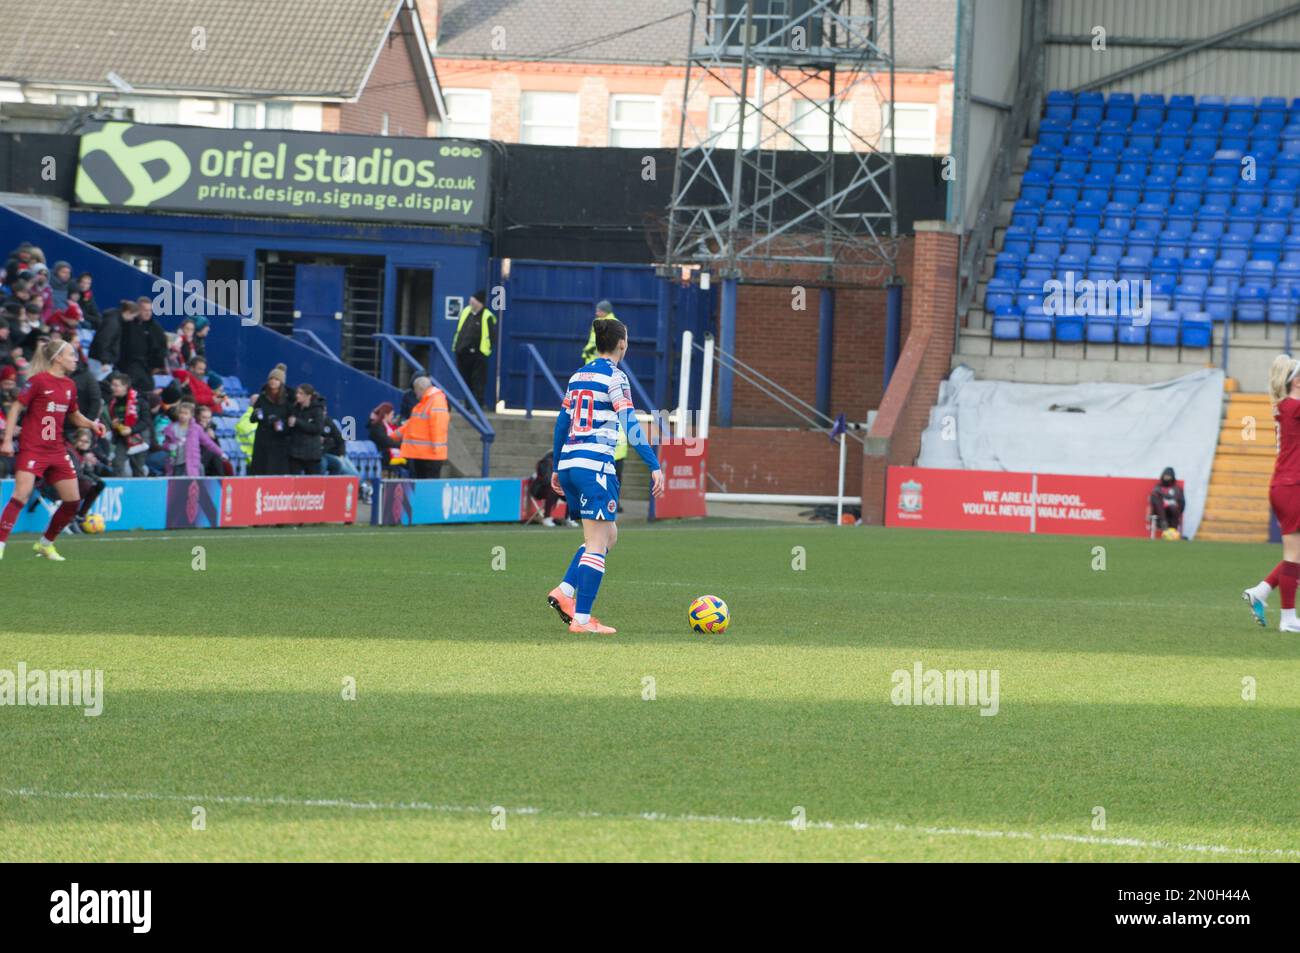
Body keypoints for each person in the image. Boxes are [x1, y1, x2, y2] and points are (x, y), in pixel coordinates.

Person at [546, 317, 664, 634]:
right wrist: (653, 464)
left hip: (571, 464)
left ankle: (565, 591)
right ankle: (582, 621)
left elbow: (561, 424)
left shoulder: (577, 376)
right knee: (597, 542)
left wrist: (557, 466)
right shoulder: (616, 378)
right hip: (594, 467)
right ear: (621, 344)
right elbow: (630, 423)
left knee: (609, 535)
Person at [0, 340, 110, 561]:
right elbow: (16, 408)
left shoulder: (69, 385)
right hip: (32, 448)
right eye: (71, 355)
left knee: (72, 501)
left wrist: (91, 424)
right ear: (58, 358)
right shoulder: (37, 382)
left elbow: (74, 415)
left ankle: (45, 544)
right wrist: (7, 440)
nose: (75, 359)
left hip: (57, 449)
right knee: (21, 495)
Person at [1243, 354, 1300, 632]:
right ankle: (1288, 619)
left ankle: (1262, 591)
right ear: (1297, 381)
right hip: (1293, 486)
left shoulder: (1285, 406)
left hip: (1286, 484)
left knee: (1296, 553)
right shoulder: (1293, 406)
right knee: (1293, 555)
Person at [391, 376, 448, 478]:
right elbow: (411, 425)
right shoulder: (427, 402)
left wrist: (437, 450)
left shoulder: (434, 401)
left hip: (430, 456)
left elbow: (438, 425)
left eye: (416, 390)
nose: (415, 394)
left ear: (421, 389)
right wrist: (392, 436)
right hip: (422, 455)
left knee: (428, 489)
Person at [453, 289, 496, 408]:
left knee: (477, 381)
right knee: (465, 381)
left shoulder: (487, 316)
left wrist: (483, 352)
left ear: (480, 303)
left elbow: (491, 337)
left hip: (478, 355)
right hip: (462, 353)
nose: (471, 302)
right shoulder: (466, 312)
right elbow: (460, 330)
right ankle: (468, 405)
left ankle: (477, 407)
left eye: (474, 300)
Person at [163, 401, 227, 477]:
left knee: (192, 485)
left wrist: (221, 453)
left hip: (192, 463)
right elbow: (165, 445)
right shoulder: (171, 428)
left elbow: (208, 443)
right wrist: (171, 446)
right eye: (181, 413)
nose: (182, 415)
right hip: (175, 463)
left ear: (191, 415)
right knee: (175, 486)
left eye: (186, 413)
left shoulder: (196, 429)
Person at [248, 364, 292, 475]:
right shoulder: (262, 397)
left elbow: (289, 422)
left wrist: (279, 424)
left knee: (276, 472)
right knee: (260, 470)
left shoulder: (287, 400)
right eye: (271, 378)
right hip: (262, 440)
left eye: (276, 379)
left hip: (279, 442)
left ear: (281, 382)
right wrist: (256, 415)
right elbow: (252, 418)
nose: (273, 381)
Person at [104, 372, 150, 477]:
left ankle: (139, 492)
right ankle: (119, 490)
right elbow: (114, 421)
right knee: (117, 464)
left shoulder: (140, 400)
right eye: (112, 385)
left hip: (139, 438)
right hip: (122, 438)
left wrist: (131, 429)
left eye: (116, 385)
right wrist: (114, 426)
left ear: (125, 386)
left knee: (137, 468)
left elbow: (146, 421)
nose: (112, 388)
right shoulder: (112, 402)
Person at [286, 383, 325, 475]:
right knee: (294, 482)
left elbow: (317, 429)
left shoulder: (317, 410)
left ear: (308, 396)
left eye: (301, 393)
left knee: (313, 483)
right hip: (295, 453)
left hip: (312, 454)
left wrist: (298, 422)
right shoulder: (295, 408)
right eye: (297, 393)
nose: (297, 395)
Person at [368, 401, 404, 475]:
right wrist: (402, 445)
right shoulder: (377, 426)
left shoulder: (386, 425)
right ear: (385, 415)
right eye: (392, 415)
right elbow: (386, 441)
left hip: (388, 453)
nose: (392, 417)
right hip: (383, 455)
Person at [1149, 467, 1184, 535]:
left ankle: (1173, 531)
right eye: (1165, 475)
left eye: (1169, 476)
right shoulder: (1158, 488)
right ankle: (1163, 522)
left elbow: (1182, 503)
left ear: (1172, 477)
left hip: (1173, 514)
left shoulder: (1177, 489)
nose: (1167, 477)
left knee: (1173, 507)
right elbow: (1153, 500)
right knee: (1155, 499)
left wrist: (1170, 502)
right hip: (1159, 514)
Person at [581, 300, 616, 364]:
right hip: (591, 355)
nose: (596, 313)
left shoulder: (613, 323)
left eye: (599, 311)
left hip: (601, 357)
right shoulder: (597, 320)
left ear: (605, 311)